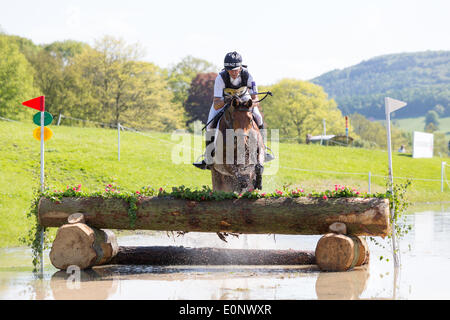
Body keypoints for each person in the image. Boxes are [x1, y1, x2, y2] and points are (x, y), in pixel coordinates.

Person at [193, 51, 274, 170]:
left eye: (236, 69)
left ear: (241, 67)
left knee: (258, 117)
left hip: (244, 99)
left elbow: (255, 98)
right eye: (230, 70)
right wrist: (226, 101)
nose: (234, 73)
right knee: (210, 125)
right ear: (226, 69)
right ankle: (208, 157)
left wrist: (250, 104)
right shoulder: (221, 78)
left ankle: (263, 149)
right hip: (225, 100)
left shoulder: (248, 76)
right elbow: (216, 104)